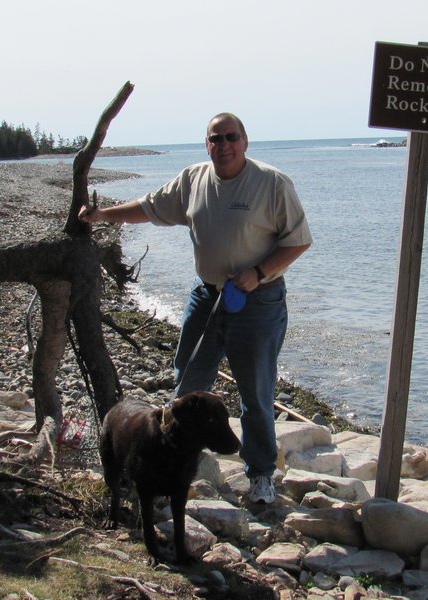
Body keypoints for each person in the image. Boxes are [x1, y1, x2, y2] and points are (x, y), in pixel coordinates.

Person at [79, 113, 312, 504]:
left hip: (257, 300)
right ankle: (172, 468)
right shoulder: (194, 179)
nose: (223, 145)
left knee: (256, 393)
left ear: (245, 141)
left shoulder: (271, 183)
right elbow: (151, 207)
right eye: (215, 138)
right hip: (207, 297)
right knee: (187, 385)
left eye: (231, 137)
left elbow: (299, 241)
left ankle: (260, 476)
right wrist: (103, 215)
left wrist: (258, 272)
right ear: (207, 144)